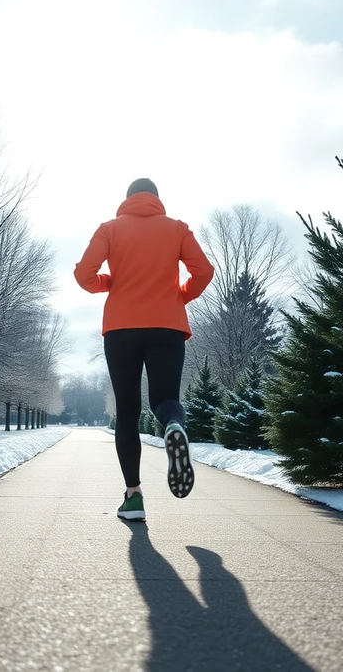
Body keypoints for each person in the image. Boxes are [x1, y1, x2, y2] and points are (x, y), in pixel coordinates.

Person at [74, 178, 214, 521]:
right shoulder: (177, 229)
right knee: (165, 401)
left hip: (121, 329)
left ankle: (133, 496)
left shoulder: (109, 229)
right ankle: (172, 427)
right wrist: (178, 295)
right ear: (156, 199)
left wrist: (111, 283)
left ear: (127, 199)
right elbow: (204, 272)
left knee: (127, 412)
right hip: (167, 326)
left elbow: (84, 275)